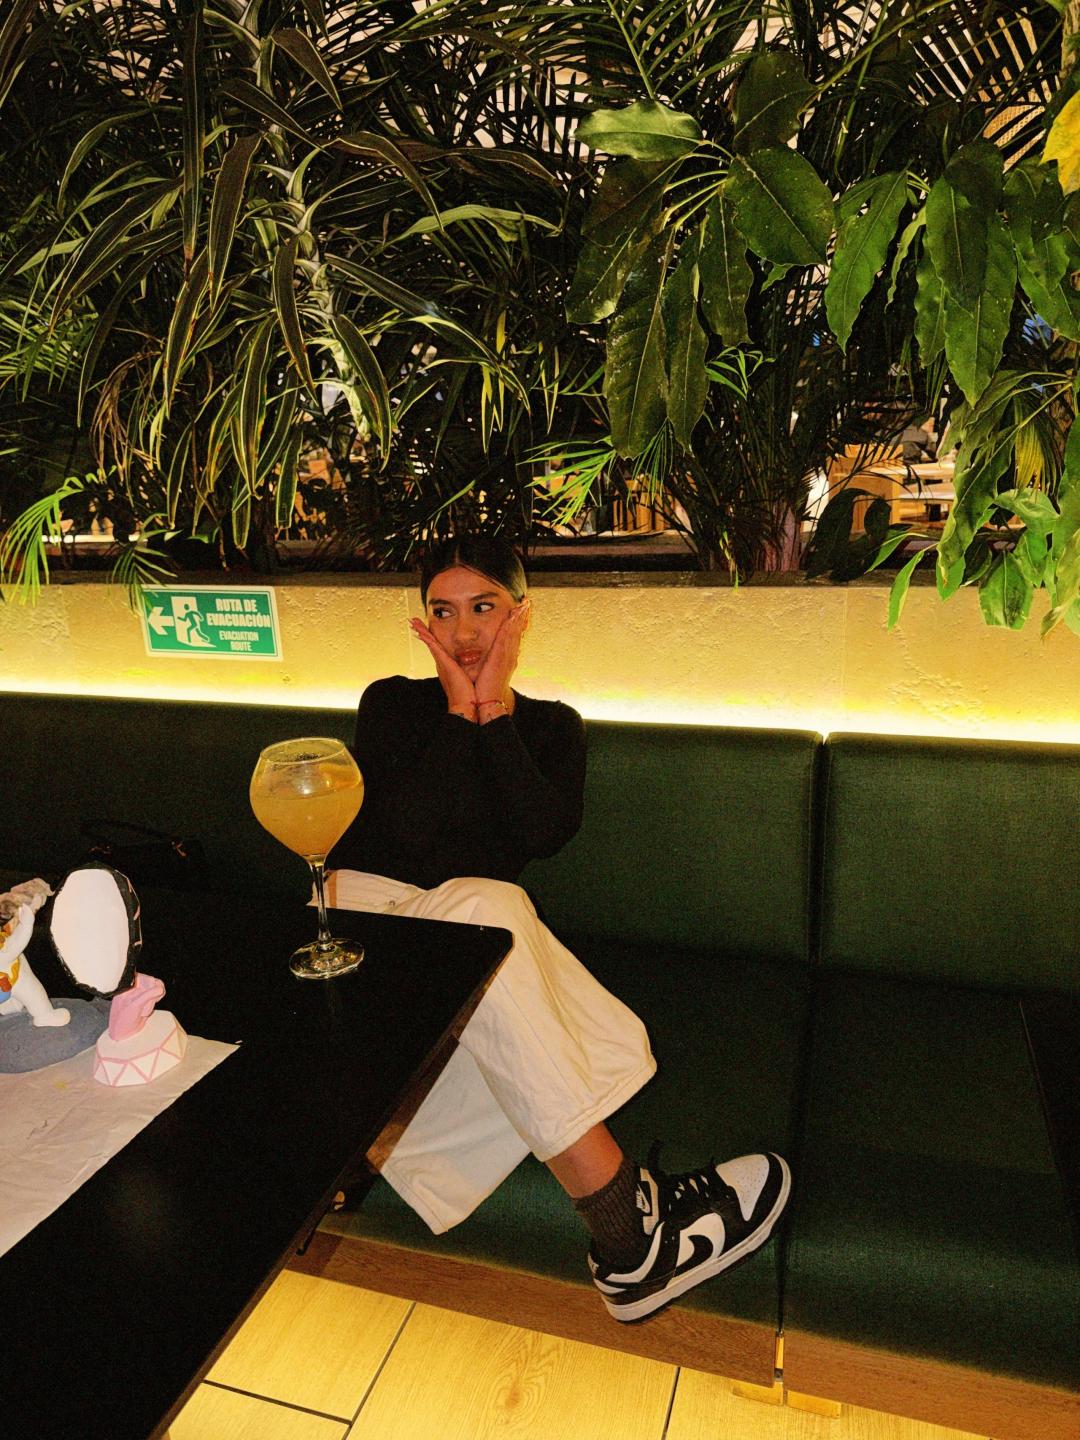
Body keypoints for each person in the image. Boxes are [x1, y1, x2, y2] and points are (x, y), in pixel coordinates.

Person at [326, 535, 791, 1321]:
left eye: (484, 608)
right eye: (444, 611)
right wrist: (456, 714)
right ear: (424, 622)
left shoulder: (552, 727)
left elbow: (542, 831)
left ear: (521, 616)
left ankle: (624, 1243)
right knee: (494, 913)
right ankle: (632, 1226)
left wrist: (494, 717)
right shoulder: (391, 704)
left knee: (492, 911)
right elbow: (403, 835)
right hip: (363, 920)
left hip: (468, 943)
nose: (464, 632)